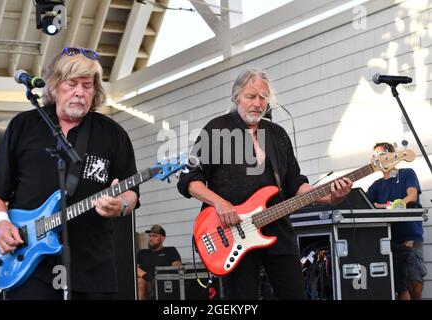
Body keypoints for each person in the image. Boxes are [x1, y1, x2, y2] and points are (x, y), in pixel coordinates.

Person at [177, 68, 353, 300]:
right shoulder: (216, 130)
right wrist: (220, 204)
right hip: (231, 232)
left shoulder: (277, 134)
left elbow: (295, 184)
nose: (258, 103)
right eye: (251, 96)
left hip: (277, 229)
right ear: (236, 97)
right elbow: (189, 179)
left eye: (263, 97)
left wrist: (330, 197)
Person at [0, 47, 139, 300]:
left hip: (93, 267)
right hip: (30, 267)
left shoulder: (113, 134)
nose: (79, 92)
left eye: (87, 85)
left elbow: (131, 193)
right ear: (55, 86)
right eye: (71, 84)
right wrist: (1, 224)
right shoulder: (23, 126)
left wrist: (121, 204)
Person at [366, 142, 427, 300]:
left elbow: (412, 195)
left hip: (409, 236)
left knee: (414, 280)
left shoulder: (407, 173)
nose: (378, 159)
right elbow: (365, 203)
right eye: (376, 156)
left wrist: (394, 206)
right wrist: (378, 205)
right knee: (400, 286)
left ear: (392, 155)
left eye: (381, 155)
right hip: (389, 239)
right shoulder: (376, 185)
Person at [137, 224, 182, 300]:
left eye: (154, 236)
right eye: (150, 236)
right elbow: (134, 268)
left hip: (164, 281)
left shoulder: (170, 251)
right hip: (147, 281)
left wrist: (160, 278)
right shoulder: (142, 253)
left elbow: (177, 267)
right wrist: (148, 278)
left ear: (162, 238)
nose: (151, 238)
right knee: (140, 282)